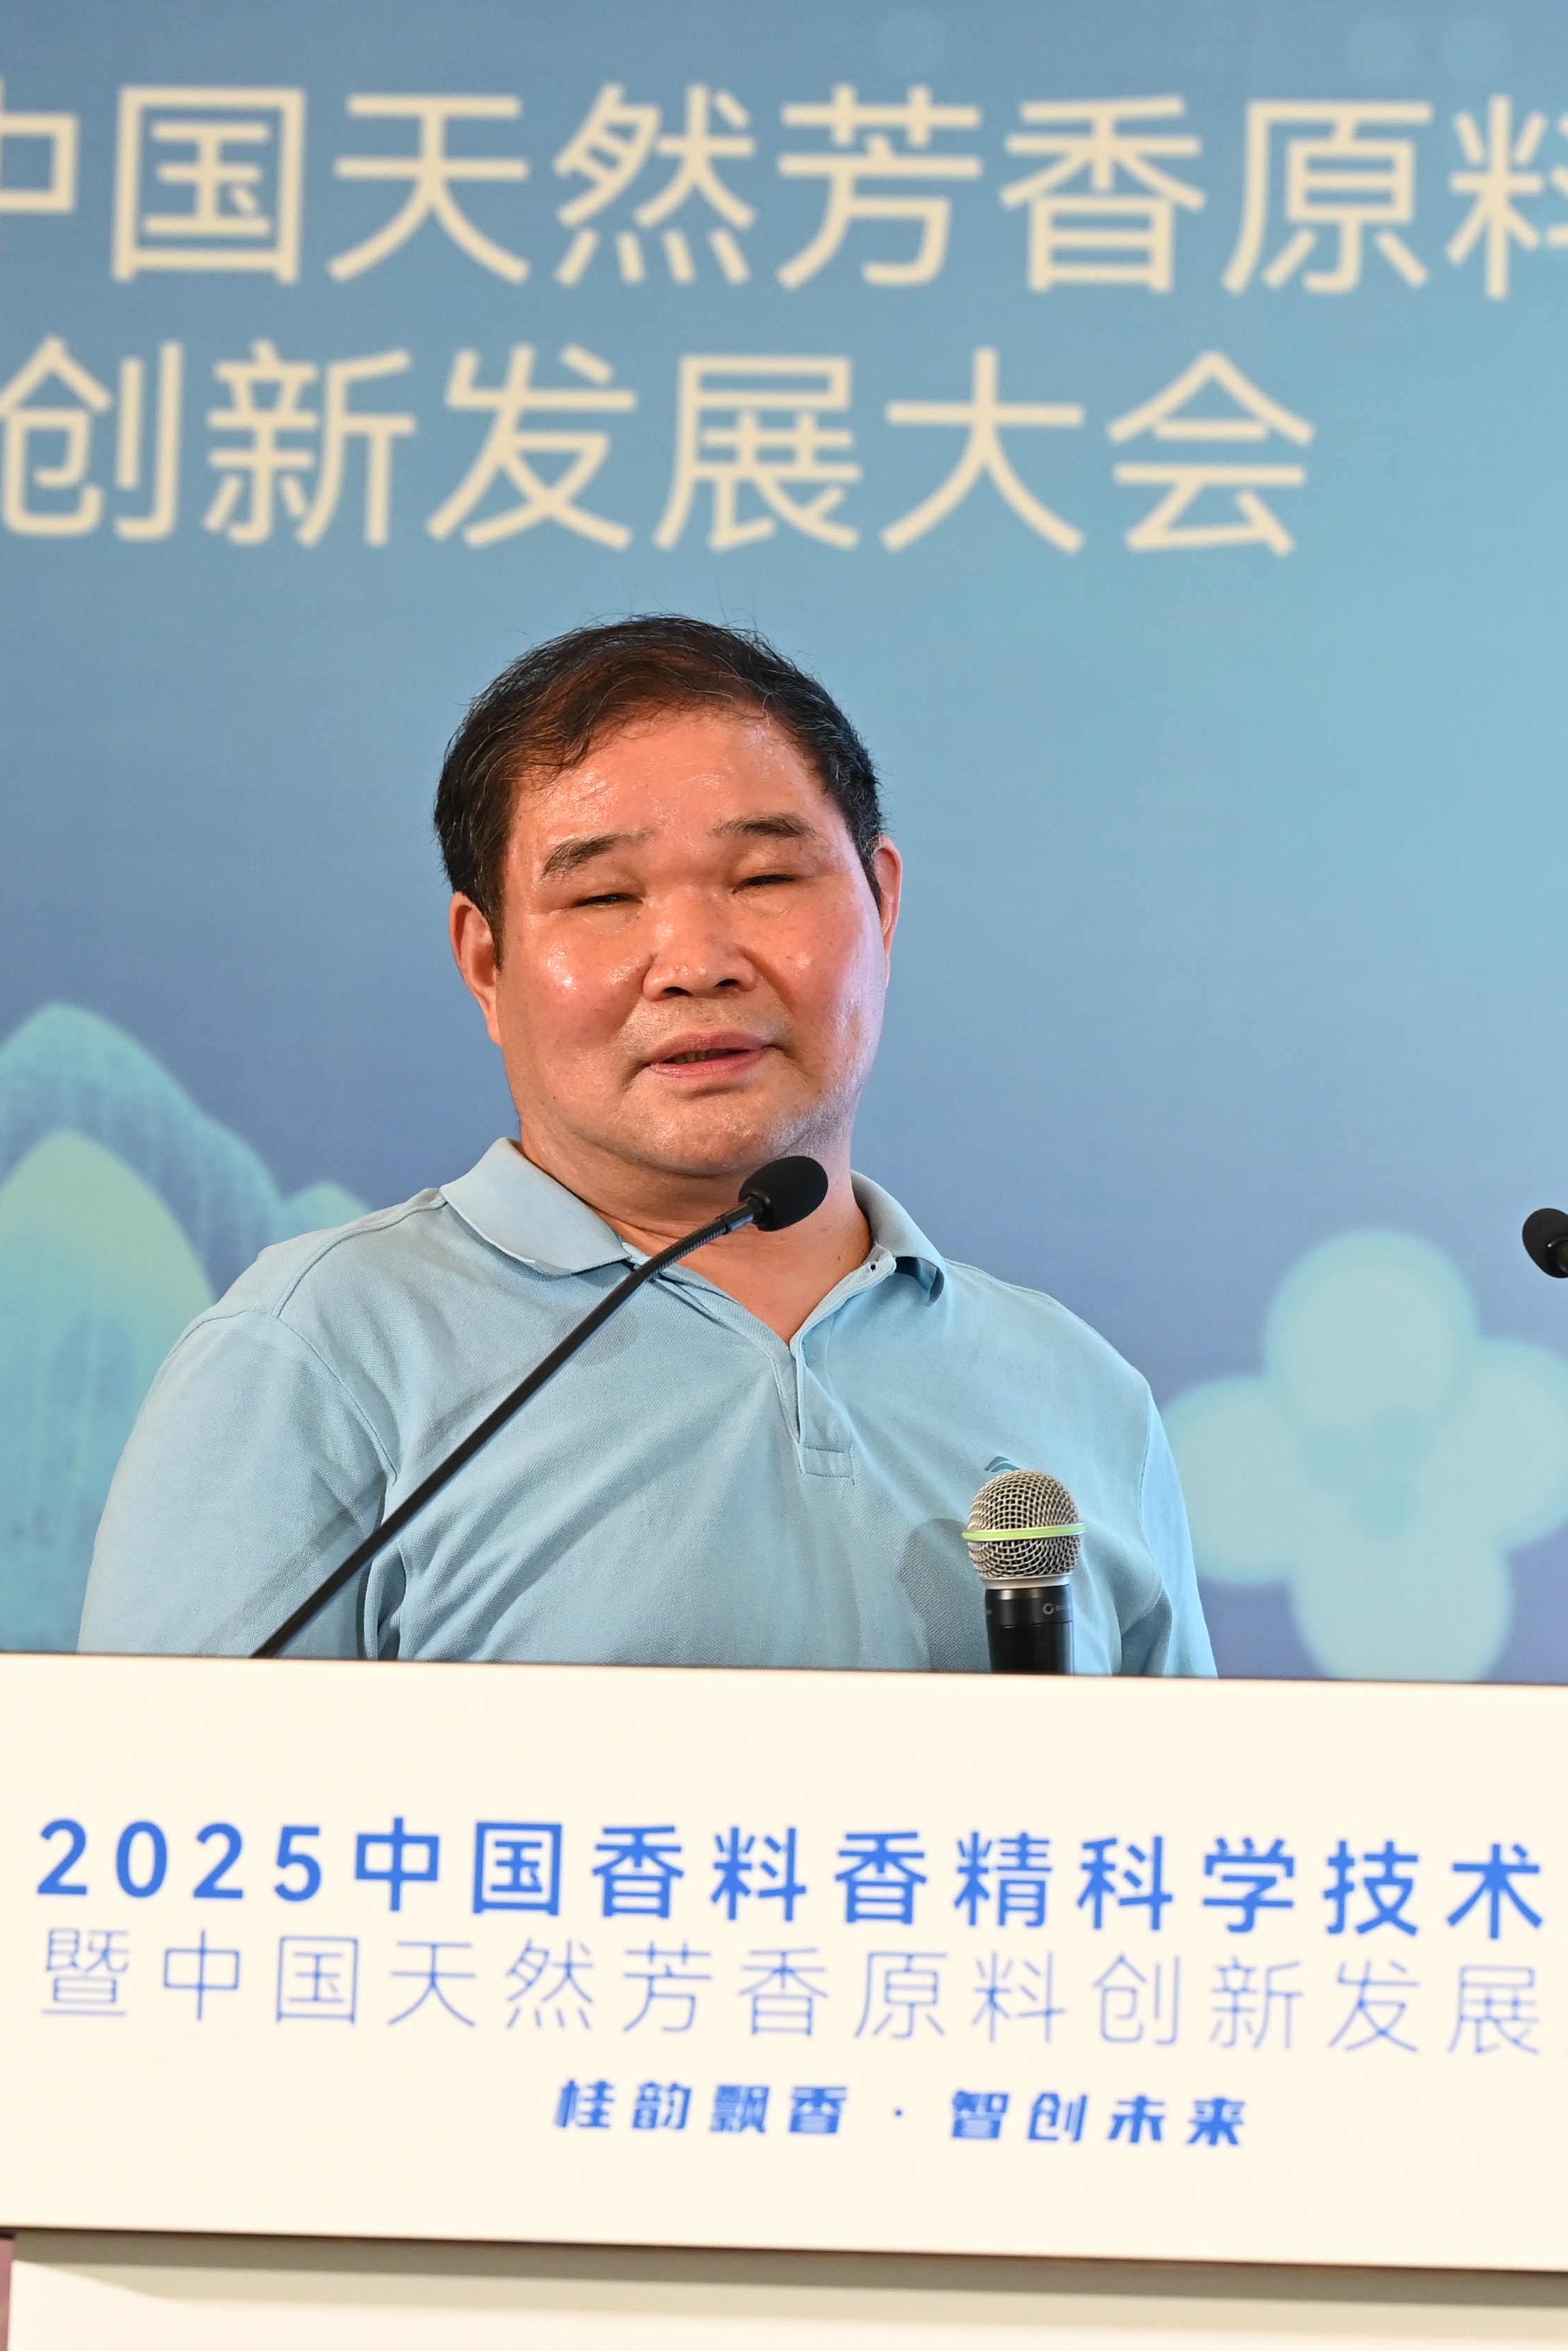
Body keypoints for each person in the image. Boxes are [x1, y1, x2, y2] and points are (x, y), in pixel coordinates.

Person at [78, 616, 1212, 1674]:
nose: (696, 963)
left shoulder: (1075, 1392)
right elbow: (148, 1803)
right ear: (486, 962)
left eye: (765, 879)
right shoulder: (322, 1355)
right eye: (604, 899)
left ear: (881, 901)